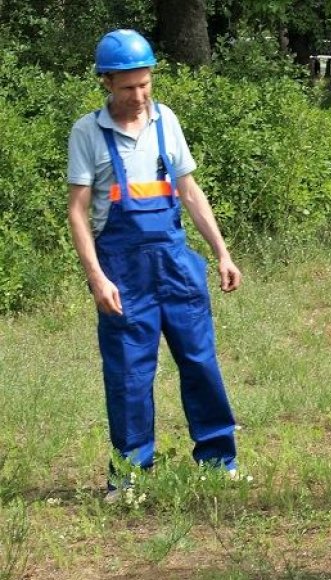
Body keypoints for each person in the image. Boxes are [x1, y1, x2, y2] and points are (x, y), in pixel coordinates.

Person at [67, 30, 242, 500]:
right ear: (106, 82)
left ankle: (218, 460)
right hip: (121, 273)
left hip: (177, 266)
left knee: (201, 362)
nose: (140, 96)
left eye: (145, 85)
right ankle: (129, 476)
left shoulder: (166, 121)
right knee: (129, 373)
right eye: (128, 87)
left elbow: (189, 192)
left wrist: (222, 252)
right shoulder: (88, 132)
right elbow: (78, 212)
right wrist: (97, 277)